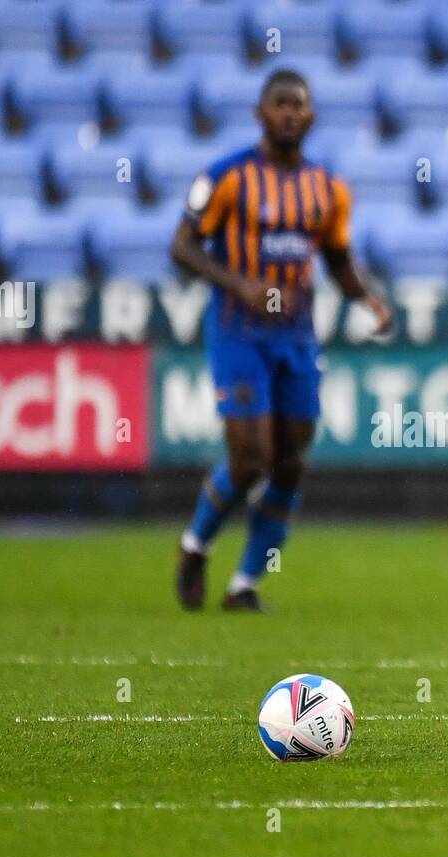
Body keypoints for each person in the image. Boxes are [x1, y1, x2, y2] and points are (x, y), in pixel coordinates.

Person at [171, 69, 392, 612]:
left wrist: (367, 299)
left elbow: (337, 259)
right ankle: (196, 545)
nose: (291, 113)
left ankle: (245, 584)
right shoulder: (225, 177)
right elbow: (182, 248)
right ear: (261, 113)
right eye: (281, 104)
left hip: (296, 336)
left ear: (311, 116)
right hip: (238, 333)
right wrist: (238, 283)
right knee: (249, 459)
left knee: (291, 461)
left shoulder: (329, 188)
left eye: (300, 105)